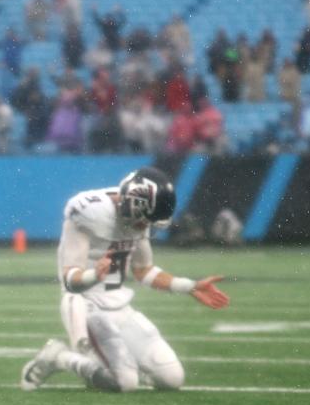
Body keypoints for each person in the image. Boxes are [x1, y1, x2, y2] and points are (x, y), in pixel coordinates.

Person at [19, 167, 229, 392]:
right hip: (87, 307)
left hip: (120, 307)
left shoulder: (138, 215)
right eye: (144, 219)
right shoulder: (89, 214)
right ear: (133, 201)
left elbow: (143, 271)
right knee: (125, 383)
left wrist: (189, 286)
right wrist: (94, 275)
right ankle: (58, 357)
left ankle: (115, 363)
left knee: (172, 379)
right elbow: (70, 280)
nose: (145, 225)